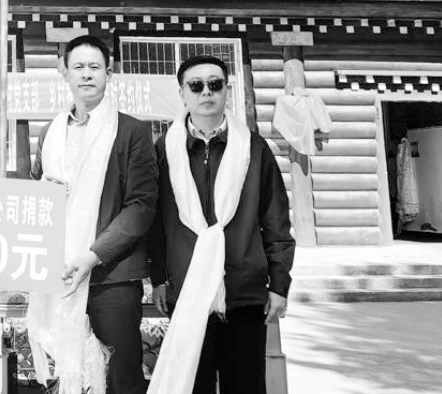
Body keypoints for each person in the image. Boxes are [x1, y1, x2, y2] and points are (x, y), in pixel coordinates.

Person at [148, 54, 295, 394]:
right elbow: (155, 221)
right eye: (196, 85)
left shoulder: (253, 148)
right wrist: (158, 277)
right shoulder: (165, 150)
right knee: (192, 385)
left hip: (243, 290)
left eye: (215, 84)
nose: (206, 92)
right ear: (182, 94)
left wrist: (279, 284)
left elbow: (275, 218)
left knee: (245, 385)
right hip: (187, 289)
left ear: (226, 90)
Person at [27, 35, 159, 394]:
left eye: (95, 67)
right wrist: (45, 192)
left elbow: (141, 206)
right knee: (65, 372)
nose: (86, 74)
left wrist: (93, 254)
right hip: (59, 273)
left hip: (111, 275)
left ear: (108, 73)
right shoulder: (50, 132)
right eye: (78, 67)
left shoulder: (131, 131)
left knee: (120, 376)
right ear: (65, 73)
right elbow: (35, 194)